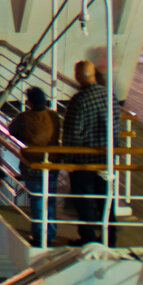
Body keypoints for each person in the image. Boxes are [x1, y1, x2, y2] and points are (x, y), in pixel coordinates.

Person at [60, 61, 111, 244]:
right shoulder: (109, 96)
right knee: (106, 199)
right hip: (106, 158)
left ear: (78, 76)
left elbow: (72, 133)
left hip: (83, 161)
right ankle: (109, 237)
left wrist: (68, 159)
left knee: (85, 200)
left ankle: (88, 238)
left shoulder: (79, 100)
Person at [7, 87, 61, 246]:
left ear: (29, 101)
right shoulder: (53, 116)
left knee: (37, 200)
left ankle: (39, 235)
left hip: (32, 164)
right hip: (52, 163)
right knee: (49, 199)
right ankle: (50, 232)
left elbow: (12, 130)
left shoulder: (24, 117)